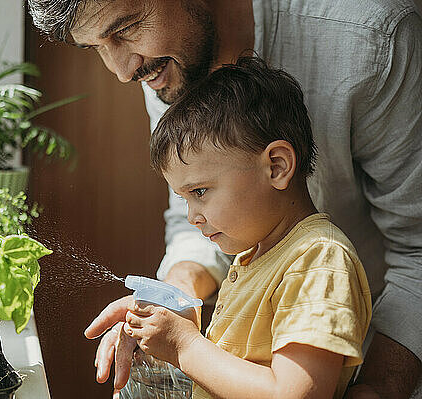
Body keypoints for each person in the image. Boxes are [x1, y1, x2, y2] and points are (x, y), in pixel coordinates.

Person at [27, 1, 422, 397]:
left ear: (278, 165)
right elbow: (194, 224)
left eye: (126, 27)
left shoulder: (371, 38)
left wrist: (185, 346)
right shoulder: (164, 68)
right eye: (94, 46)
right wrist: (168, 301)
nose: (121, 71)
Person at [125, 56, 372, 399]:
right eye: (185, 198)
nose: (193, 216)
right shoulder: (253, 257)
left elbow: (294, 393)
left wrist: (184, 345)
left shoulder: (317, 259)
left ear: (277, 166)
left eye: (199, 191)